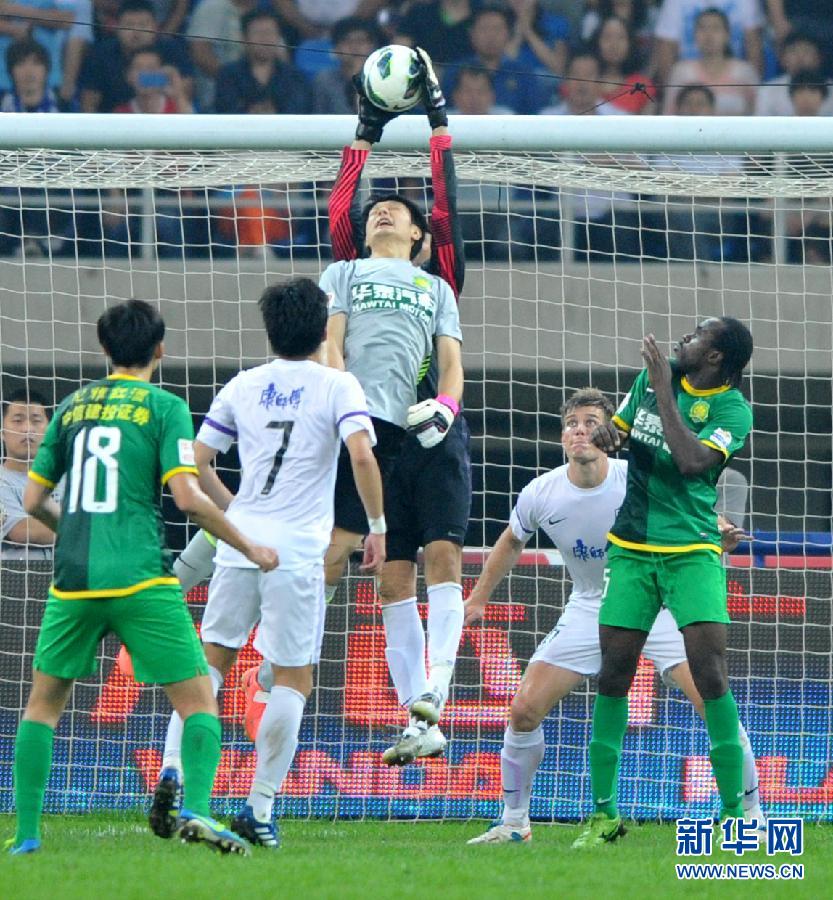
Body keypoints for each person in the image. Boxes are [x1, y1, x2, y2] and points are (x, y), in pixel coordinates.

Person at [6, 298, 278, 856]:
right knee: (200, 701)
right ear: (160, 350)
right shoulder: (164, 407)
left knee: (42, 707)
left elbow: (33, 499)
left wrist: (77, 530)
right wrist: (249, 544)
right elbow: (188, 499)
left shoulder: (70, 407)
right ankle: (199, 811)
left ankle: (26, 836)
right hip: (141, 581)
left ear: (104, 349)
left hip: (73, 583)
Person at [464, 387, 764, 844]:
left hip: (661, 602)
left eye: (590, 422)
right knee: (523, 710)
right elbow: (511, 540)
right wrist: (477, 600)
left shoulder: (636, 477)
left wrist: (718, 530)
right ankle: (514, 822)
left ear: (610, 433)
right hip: (591, 605)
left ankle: (751, 816)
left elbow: (691, 511)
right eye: (571, 424)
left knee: (712, 702)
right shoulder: (541, 492)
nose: (580, 431)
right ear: (562, 436)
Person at [152, 278, 385, 849]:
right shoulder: (338, 383)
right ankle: (258, 808)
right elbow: (361, 454)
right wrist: (377, 527)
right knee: (293, 674)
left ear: (269, 327)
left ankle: (173, 771)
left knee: (211, 660)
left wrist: (233, 511)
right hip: (298, 548)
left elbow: (198, 461)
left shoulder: (244, 384)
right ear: (323, 326)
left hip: (242, 539)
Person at [316, 50, 470, 767]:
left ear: (420, 236)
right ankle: (421, 718)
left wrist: (438, 122)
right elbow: (340, 201)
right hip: (367, 429)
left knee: (441, 556)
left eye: (401, 212)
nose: (386, 209)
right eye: (379, 205)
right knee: (389, 573)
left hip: (427, 426)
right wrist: (366, 128)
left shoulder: (436, 280)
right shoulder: (346, 268)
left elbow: (446, 203)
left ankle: (436, 687)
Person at [571, 317, 755, 848]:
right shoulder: (656, 375)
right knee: (614, 675)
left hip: (693, 551)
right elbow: (622, 431)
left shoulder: (731, 410)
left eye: (698, 335)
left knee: (711, 673)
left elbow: (694, 463)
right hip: (630, 548)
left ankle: (734, 813)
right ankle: (603, 816)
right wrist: (610, 433)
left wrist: (661, 392)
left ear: (716, 358)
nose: (683, 339)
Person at [80, 0, 192, 113]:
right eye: (129, 25)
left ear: (155, 27)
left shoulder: (170, 49)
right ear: (117, 28)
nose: (136, 32)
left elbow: (188, 90)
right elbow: (89, 102)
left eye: (143, 25)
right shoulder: (101, 54)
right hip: (114, 122)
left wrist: (174, 89)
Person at [0, 389, 61, 559]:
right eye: (18, 420)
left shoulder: (67, 479)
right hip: (13, 582)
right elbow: (22, 531)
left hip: (67, 580)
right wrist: (85, 529)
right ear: (2, 432)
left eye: (36, 421)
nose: (28, 429)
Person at [662, 8, 758, 116]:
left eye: (716, 28)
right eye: (702, 28)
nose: (709, 35)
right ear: (694, 35)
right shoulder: (681, 71)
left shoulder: (744, 71)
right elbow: (669, 114)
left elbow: (758, 113)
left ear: (727, 35)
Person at [214, 11, 311, 114]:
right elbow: (227, 110)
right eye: (258, 33)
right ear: (244, 38)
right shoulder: (228, 75)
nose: (265, 39)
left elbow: (298, 111)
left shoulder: (295, 77)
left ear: (279, 38)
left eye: (270, 33)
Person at [652, 0, 764, 83]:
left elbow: (753, 45)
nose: (709, 35)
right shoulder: (674, 2)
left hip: (735, 77)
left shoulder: (747, 2)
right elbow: (666, 47)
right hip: (689, 80)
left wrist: (753, 82)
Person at [311, 16, 381, 115]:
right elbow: (317, 118)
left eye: (361, 41)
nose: (355, 47)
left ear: (372, 46)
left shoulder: (385, 80)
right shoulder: (325, 81)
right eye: (347, 41)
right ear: (336, 49)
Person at [755, 32, 833, 117]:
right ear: (782, 58)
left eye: (806, 51)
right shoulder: (768, 91)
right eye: (793, 51)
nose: (800, 58)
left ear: (818, 58)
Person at [589, 15, 655, 114]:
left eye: (620, 37)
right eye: (607, 37)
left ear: (630, 43)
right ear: (597, 42)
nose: (613, 44)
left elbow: (650, 127)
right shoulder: (585, 81)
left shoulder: (642, 86)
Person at [113, 46, 193, 114]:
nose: (145, 73)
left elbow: (191, 127)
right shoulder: (121, 113)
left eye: (151, 68)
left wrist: (178, 94)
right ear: (128, 76)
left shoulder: (177, 107)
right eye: (138, 68)